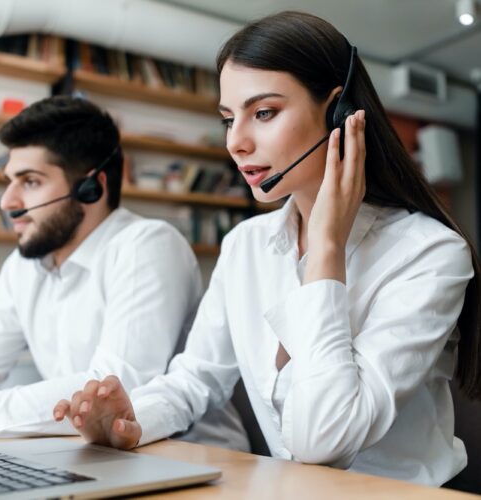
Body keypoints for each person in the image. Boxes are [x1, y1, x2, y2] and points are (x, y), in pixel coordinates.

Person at [54, 11, 481, 486]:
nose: (236, 142)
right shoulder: (244, 246)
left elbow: (325, 440)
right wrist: (130, 420)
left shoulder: (430, 253)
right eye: (228, 119)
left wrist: (326, 249)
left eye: (264, 113)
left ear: (337, 113)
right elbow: (197, 379)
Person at [0, 96, 249, 452]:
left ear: (92, 188)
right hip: (93, 455)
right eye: (10, 181)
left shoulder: (147, 245)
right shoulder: (24, 266)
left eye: (30, 182)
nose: (7, 202)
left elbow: (114, 388)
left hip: (196, 459)